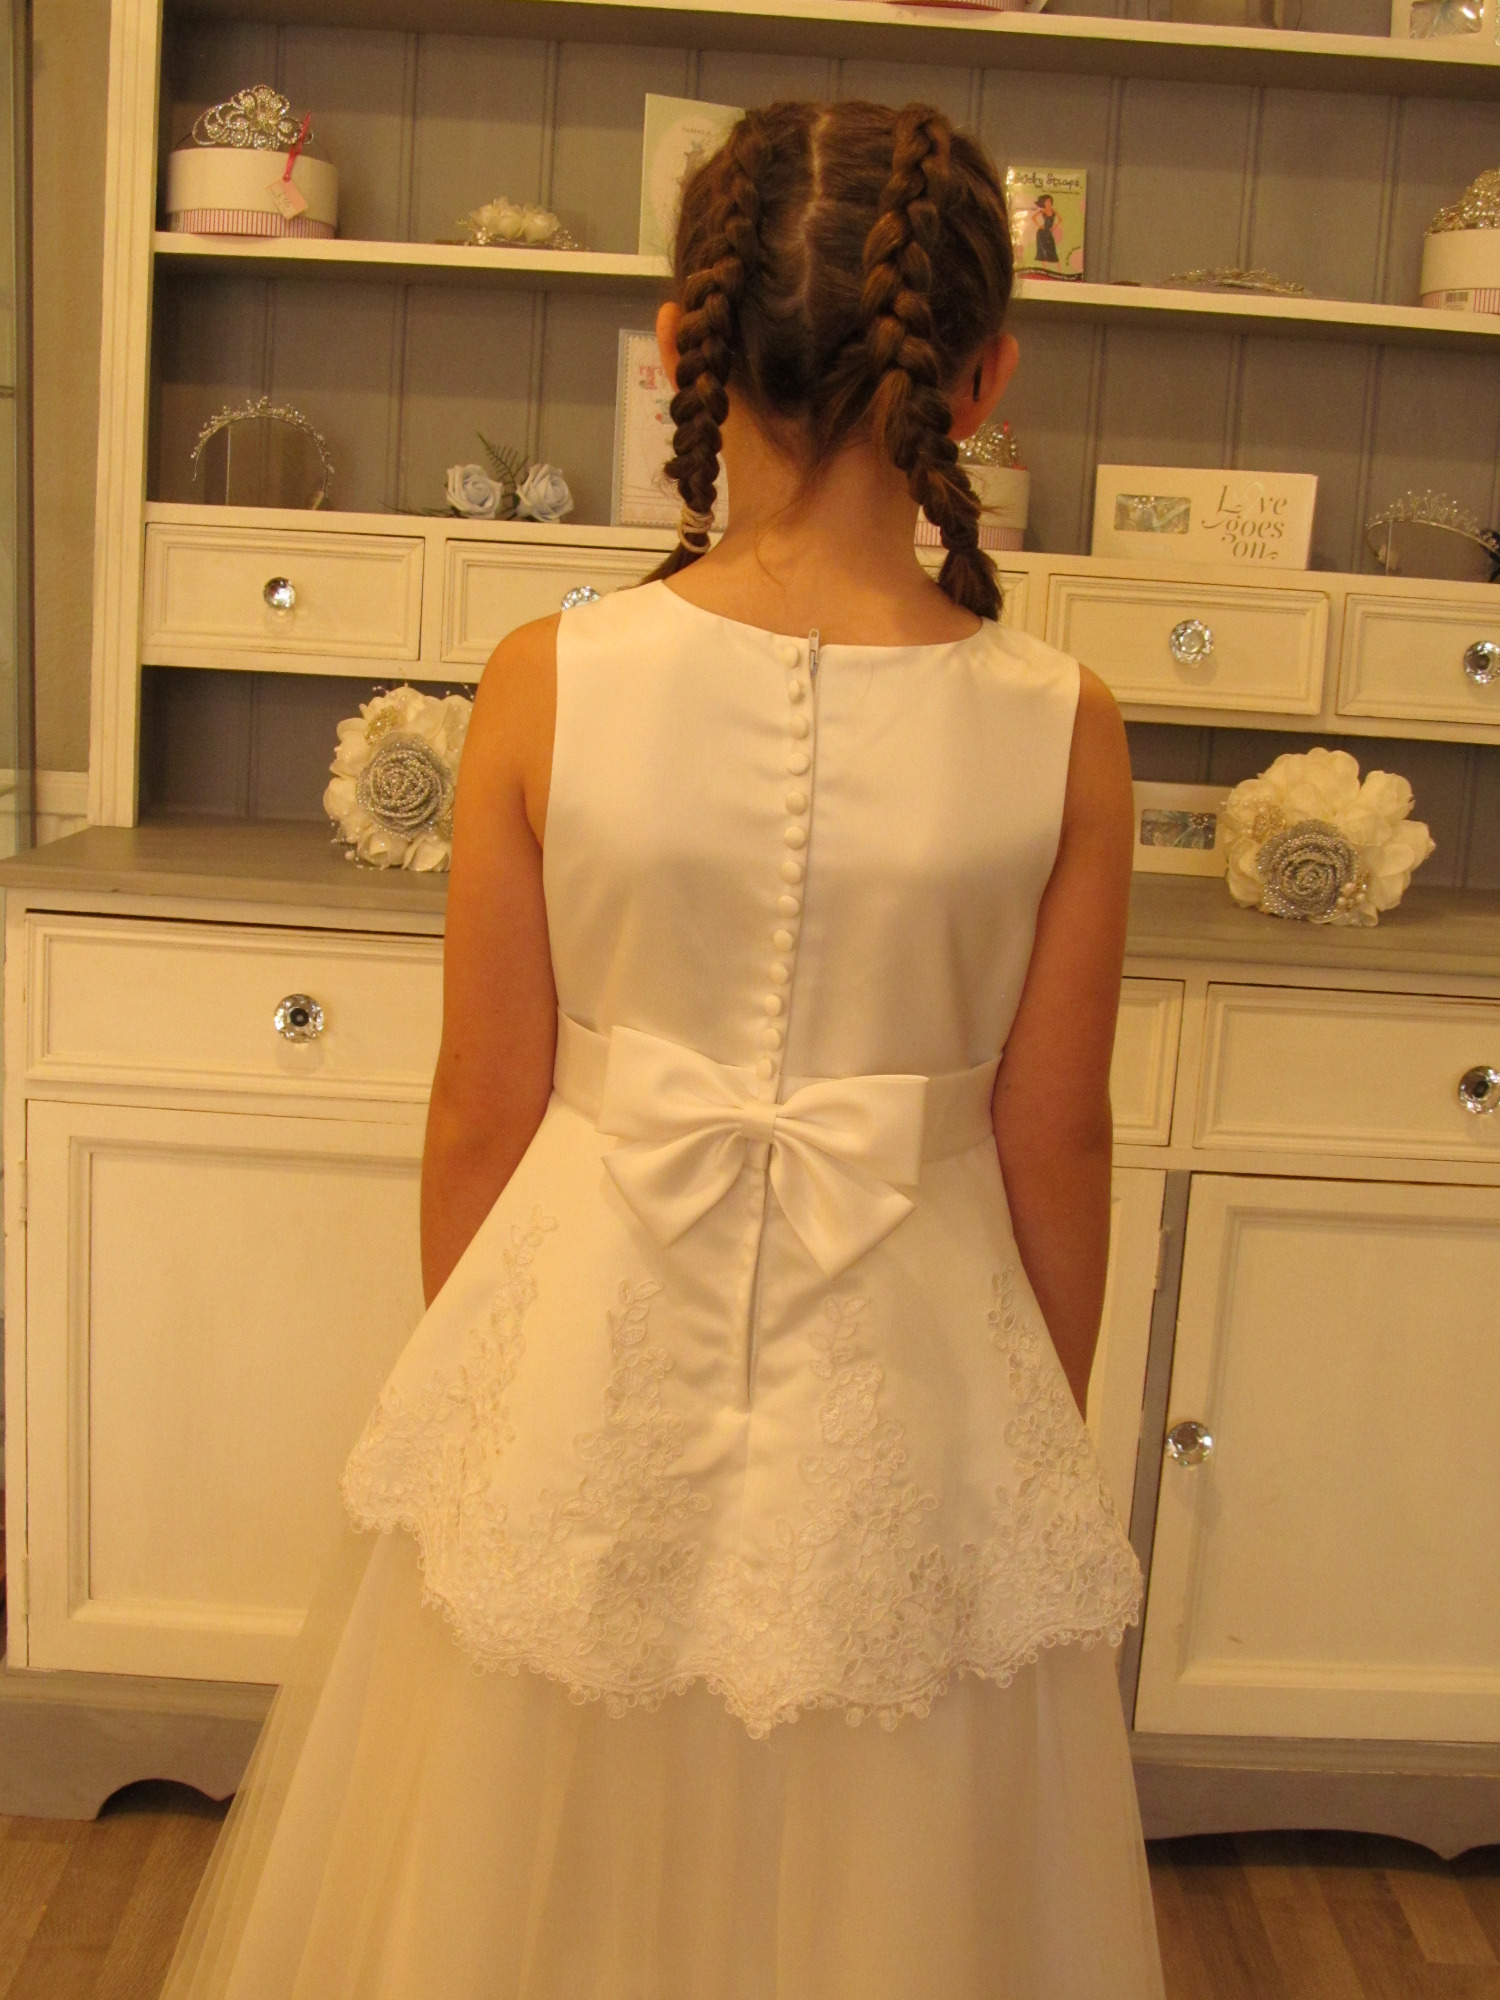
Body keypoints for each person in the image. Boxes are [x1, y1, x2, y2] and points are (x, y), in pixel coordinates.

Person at [161, 99, 1164, 2000]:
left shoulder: (550, 679)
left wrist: (484, 1376)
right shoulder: (1065, 724)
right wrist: (1035, 1426)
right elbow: (1061, 1138)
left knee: (515, 1865)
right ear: (985, 376)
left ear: (684, 350)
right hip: (923, 1364)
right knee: (893, 1862)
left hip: (580, 1329)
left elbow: (482, 1106)